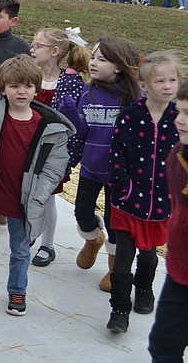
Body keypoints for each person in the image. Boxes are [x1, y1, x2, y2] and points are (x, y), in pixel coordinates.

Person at [0, 55, 73, 318]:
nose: (21, 92)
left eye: (27, 86)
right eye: (14, 86)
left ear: (37, 89)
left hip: (25, 201)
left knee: (21, 249)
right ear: (3, 88)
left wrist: (40, 195)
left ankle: (17, 289)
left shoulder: (49, 127)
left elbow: (55, 167)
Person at [105, 52, 182, 333]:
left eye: (172, 79)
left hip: (161, 204)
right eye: (159, 80)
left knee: (149, 255)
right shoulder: (129, 117)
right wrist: (122, 189)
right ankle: (119, 310)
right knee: (123, 260)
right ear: (144, 86)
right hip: (127, 204)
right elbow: (117, 156)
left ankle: (145, 289)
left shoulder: (180, 118)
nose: (167, 85)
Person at [58, 37, 141, 292]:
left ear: (118, 66)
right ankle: (93, 241)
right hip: (91, 167)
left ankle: (115, 267)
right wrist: (72, 117)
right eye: (93, 57)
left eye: (101, 59)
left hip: (121, 174)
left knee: (114, 219)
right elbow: (83, 131)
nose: (92, 63)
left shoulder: (136, 97)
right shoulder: (88, 91)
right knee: (82, 213)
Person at [28, 27, 90, 267]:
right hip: (28, 146)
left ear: (54, 51)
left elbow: (74, 125)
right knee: (28, 194)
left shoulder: (70, 83)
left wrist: (68, 157)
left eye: (38, 45)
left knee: (47, 197)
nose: (32, 49)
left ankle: (48, 244)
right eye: (32, 44)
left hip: (55, 151)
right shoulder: (30, 76)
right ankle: (30, 233)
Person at [148, 79, 188, 361]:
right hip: (180, 271)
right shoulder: (176, 156)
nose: (180, 120)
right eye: (180, 111)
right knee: (163, 346)